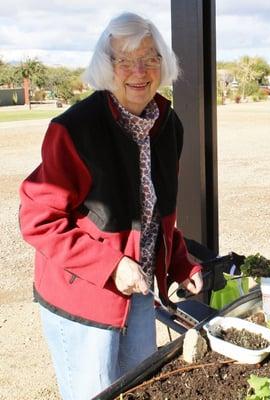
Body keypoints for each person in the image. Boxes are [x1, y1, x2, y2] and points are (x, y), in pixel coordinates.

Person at [19, 12, 203, 399]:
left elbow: (156, 217)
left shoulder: (168, 125)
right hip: (84, 296)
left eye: (150, 58)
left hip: (137, 289)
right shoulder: (74, 129)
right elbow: (38, 219)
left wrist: (181, 263)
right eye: (124, 60)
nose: (139, 71)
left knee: (140, 387)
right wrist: (110, 265)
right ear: (107, 66)